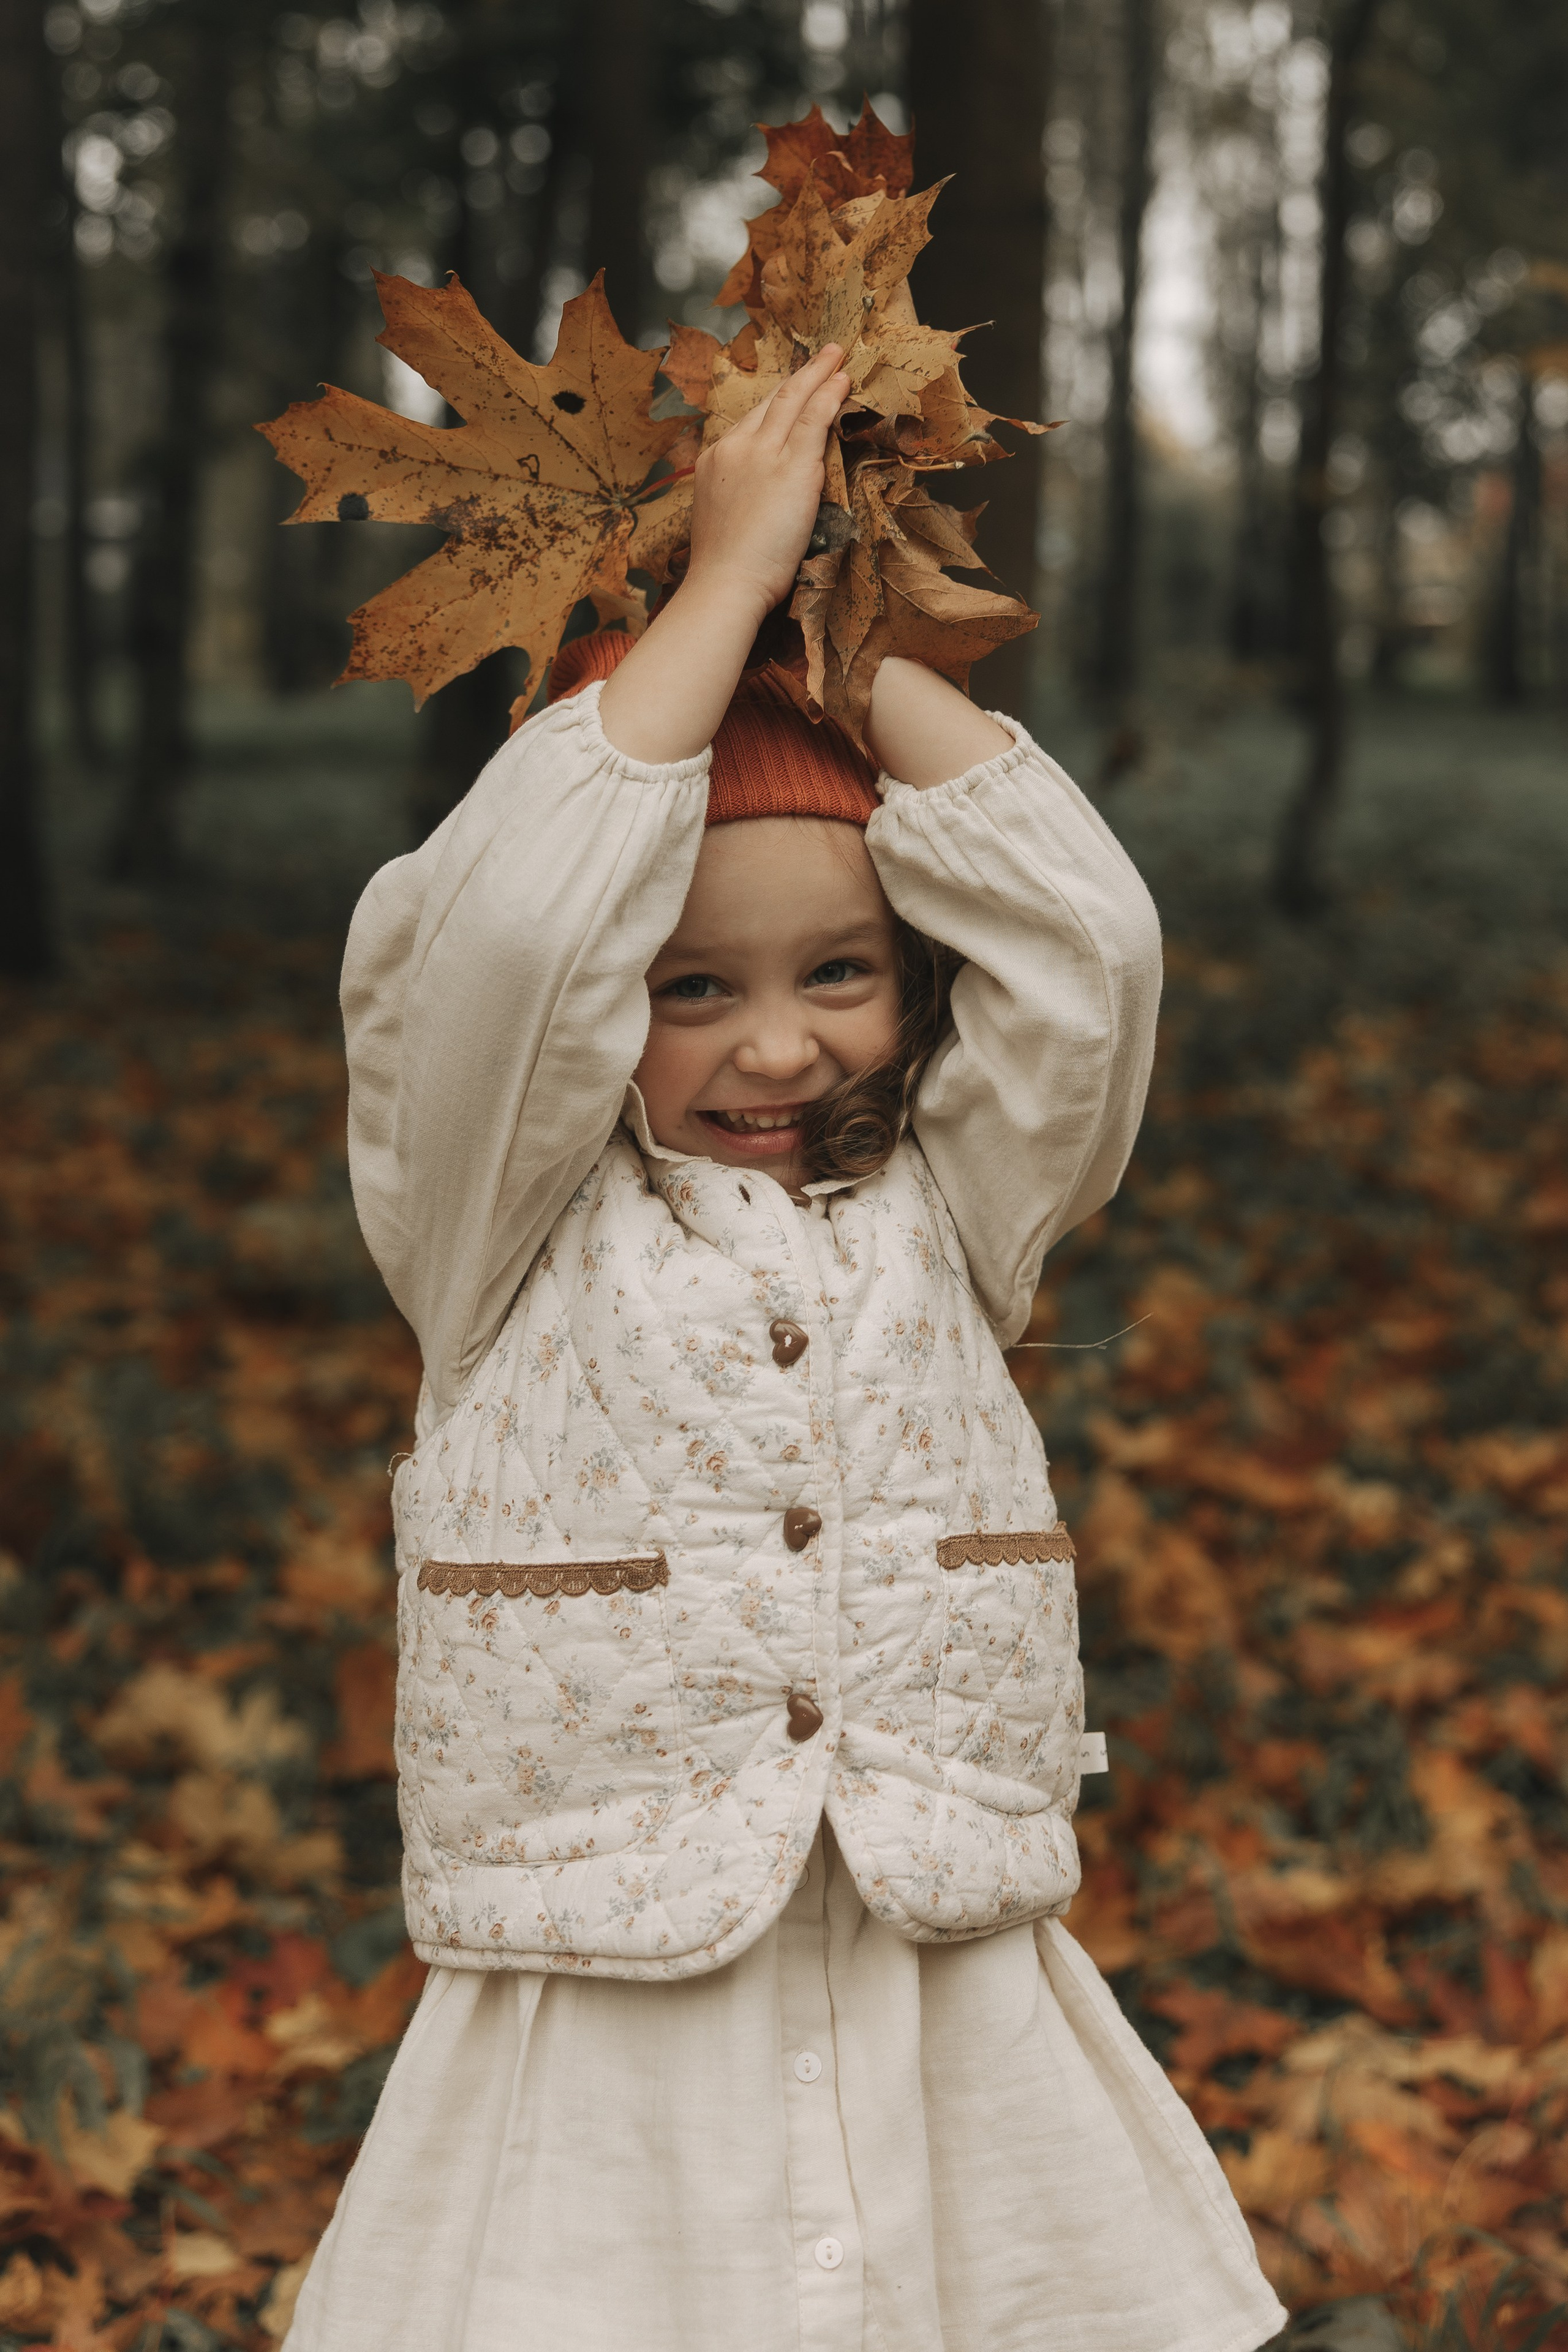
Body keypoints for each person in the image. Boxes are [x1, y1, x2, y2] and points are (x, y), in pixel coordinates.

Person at [286, 344, 1287, 2352]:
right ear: (598, 1008)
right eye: (688, 989)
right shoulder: (495, 1223)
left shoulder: (961, 1195)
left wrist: (838, 618)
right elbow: (491, 945)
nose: (775, 1043)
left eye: (840, 974)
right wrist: (708, 600)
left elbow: (1091, 943)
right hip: (615, 1939)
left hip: (926, 1921)